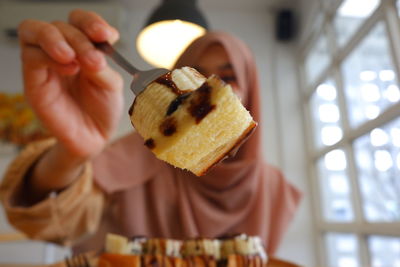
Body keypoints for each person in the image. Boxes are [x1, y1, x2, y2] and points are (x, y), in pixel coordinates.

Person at [0, 9, 301, 256]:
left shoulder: (274, 190)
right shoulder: (134, 157)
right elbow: (51, 223)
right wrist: (72, 152)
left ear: (251, 92)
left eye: (228, 76)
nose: (209, 89)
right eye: (196, 74)